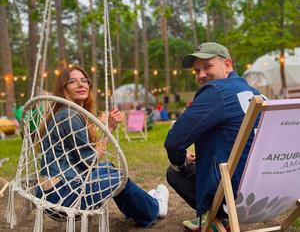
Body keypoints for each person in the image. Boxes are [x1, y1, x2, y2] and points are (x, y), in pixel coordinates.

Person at [36, 66, 169, 227]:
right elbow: (89, 162)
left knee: (108, 167)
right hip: (64, 196)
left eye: (84, 81)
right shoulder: (69, 116)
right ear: (63, 88)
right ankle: (155, 207)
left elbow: (80, 160)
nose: (81, 84)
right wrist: (109, 129)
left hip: (48, 194)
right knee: (118, 176)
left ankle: (142, 205)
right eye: (73, 81)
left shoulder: (63, 114)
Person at [164, 42, 261, 230]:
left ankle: (214, 216)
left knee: (174, 172)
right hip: (269, 192)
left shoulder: (216, 91)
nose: (201, 75)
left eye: (207, 66)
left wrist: (180, 162)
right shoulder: (256, 93)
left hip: (234, 199)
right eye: (196, 71)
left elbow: (174, 141)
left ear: (228, 65)